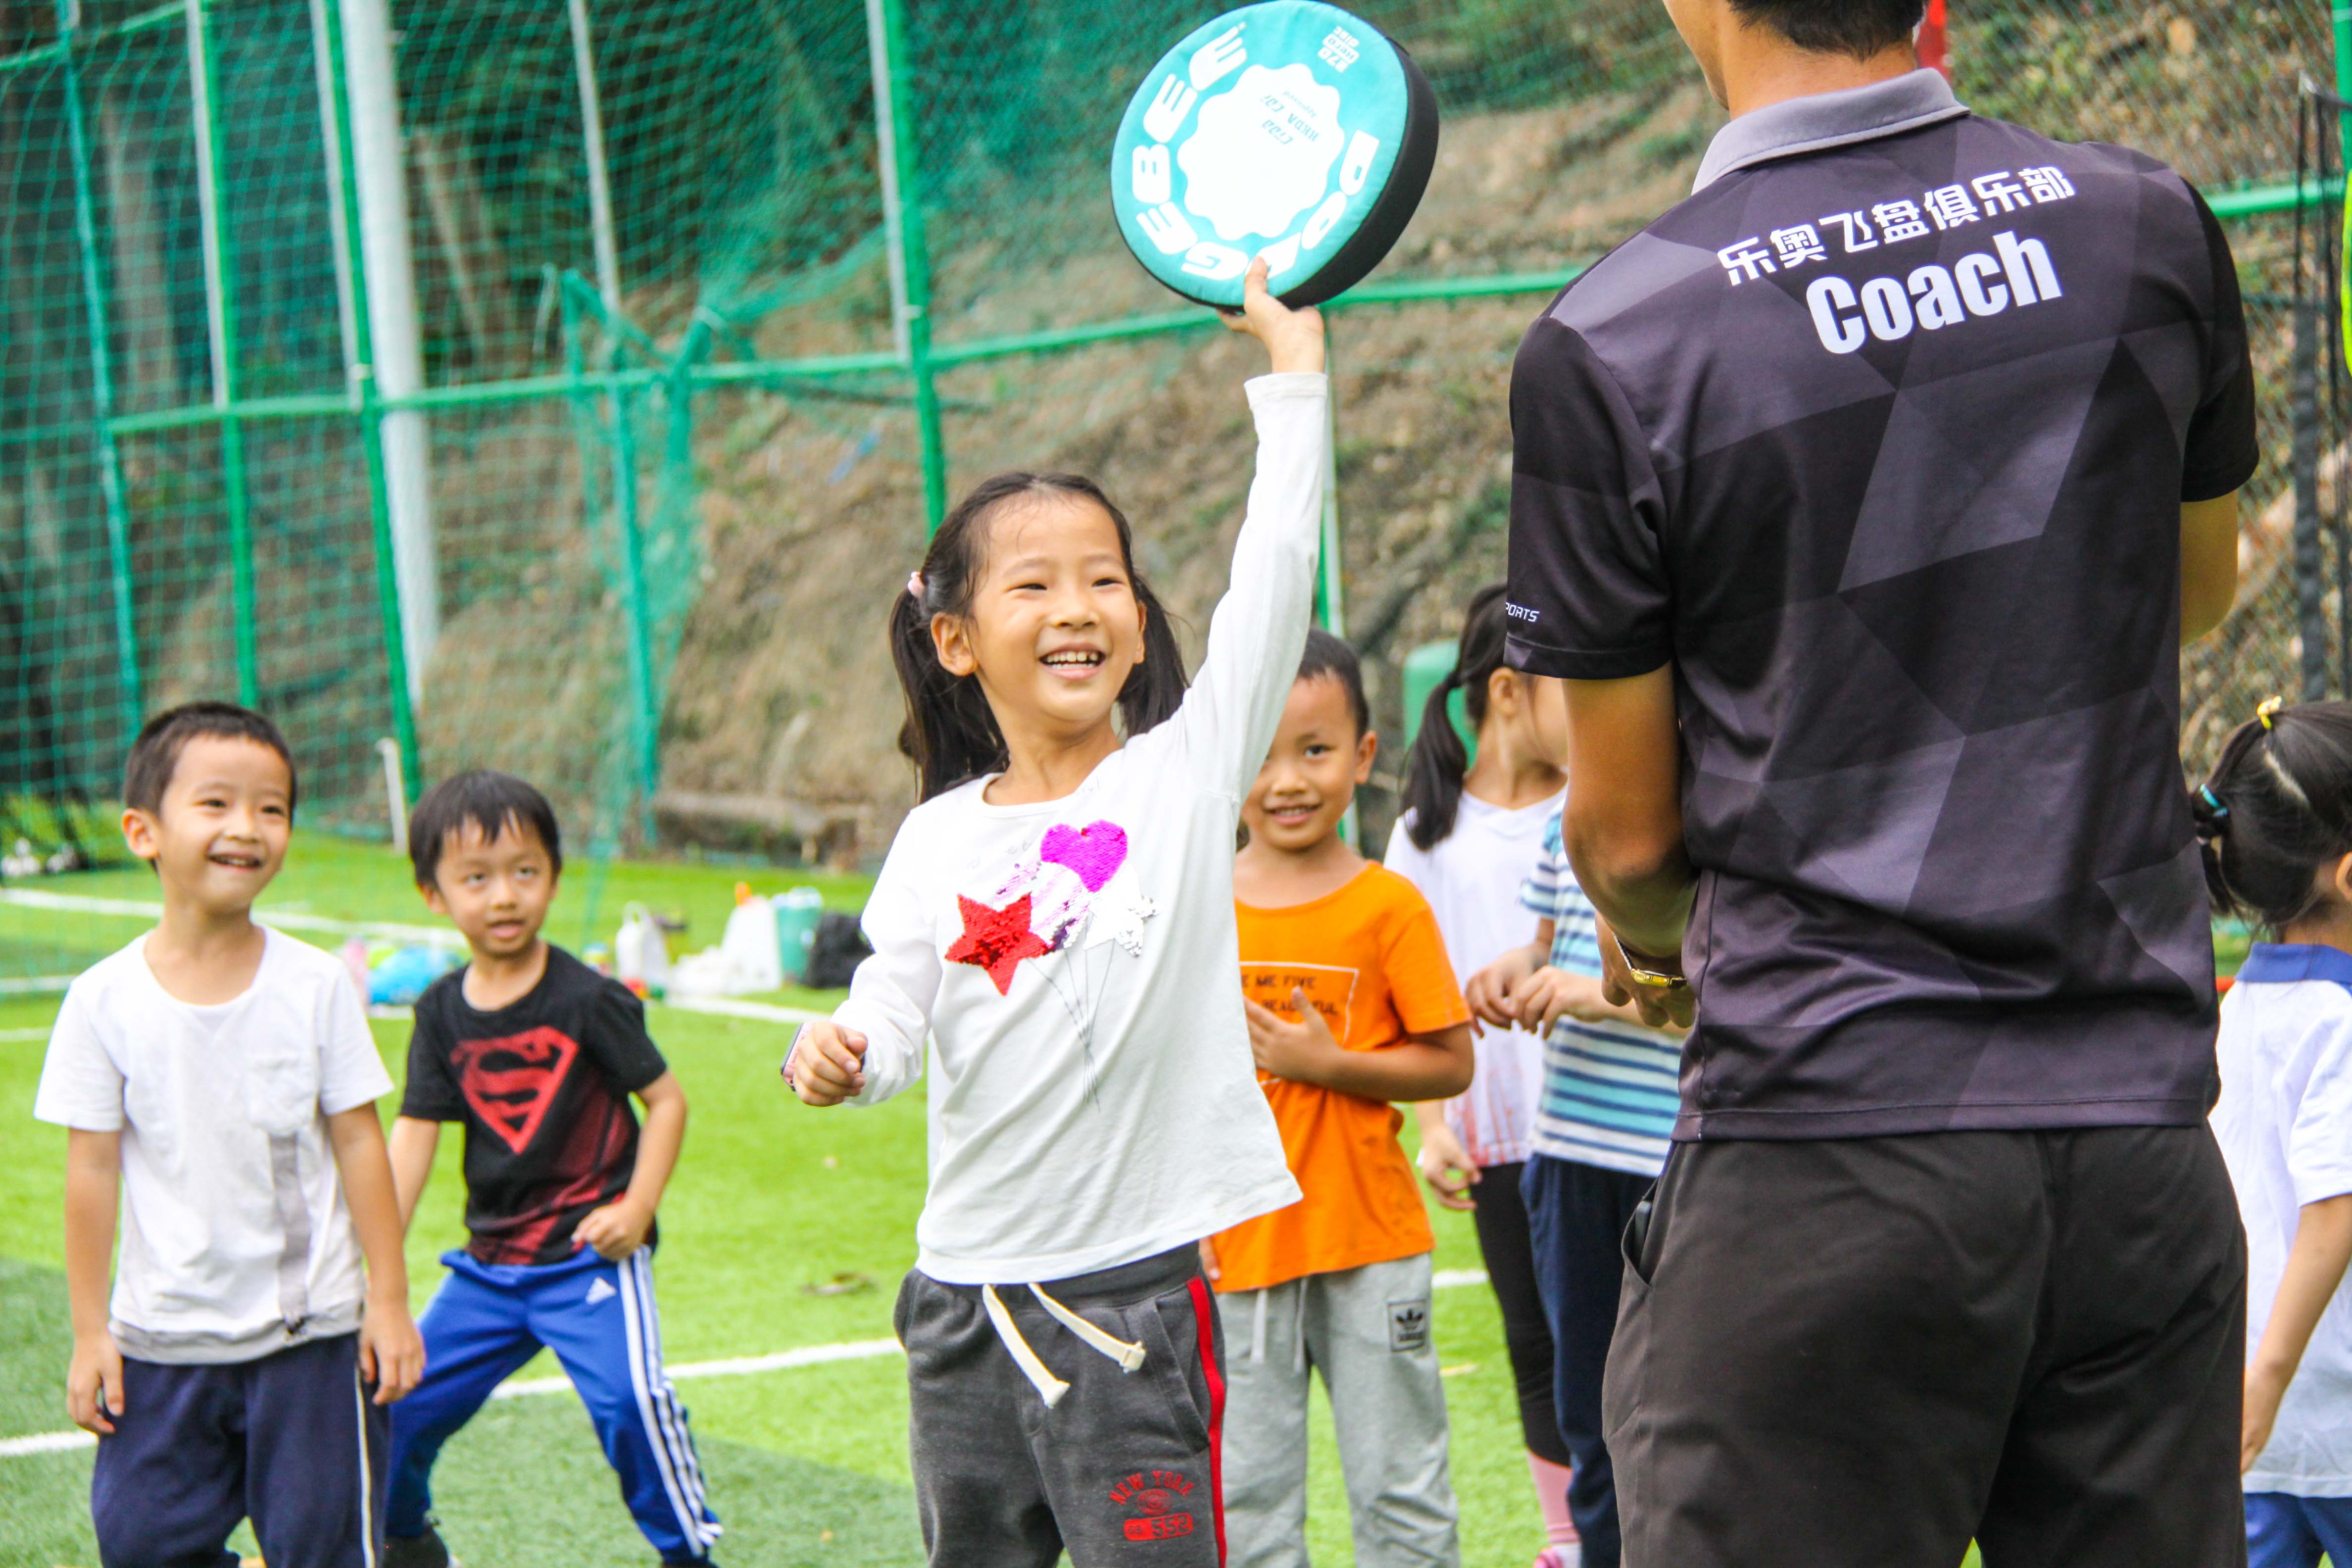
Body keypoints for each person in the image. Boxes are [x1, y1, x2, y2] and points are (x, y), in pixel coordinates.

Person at [1503, 0, 2258, 1559]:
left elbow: (1628, 831)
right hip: (2139, 1152)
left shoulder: (1618, 335)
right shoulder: (2145, 226)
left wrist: (1652, 958)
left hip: (1829, 1146)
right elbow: (2192, 590)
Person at [782, 259, 1325, 1568]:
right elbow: (895, 1006)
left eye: (1105, 580)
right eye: (1033, 585)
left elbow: (1278, 569)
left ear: (1139, 625)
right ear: (958, 639)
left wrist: (1295, 373)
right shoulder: (935, 839)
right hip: (959, 1305)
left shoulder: (1185, 780)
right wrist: (848, 1056)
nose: (1077, 606)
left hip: (1132, 1306)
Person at [34, 701, 424, 1567]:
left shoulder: (317, 985)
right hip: (160, 1342)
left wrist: (387, 1302)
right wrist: (91, 1331)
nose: (247, 828)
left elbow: (361, 1144)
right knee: (140, 1546)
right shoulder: (102, 1001)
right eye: (215, 804)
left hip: (312, 1343)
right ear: (143, 830)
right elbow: (92, 1170)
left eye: (272, 808)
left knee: (325, 1553)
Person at [381, 769, 713, 1568]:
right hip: (490, 1270)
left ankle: (689, 1555)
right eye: (477, 878)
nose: (504, 896)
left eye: (524, 873)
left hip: (587, 1262)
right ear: (435, 894)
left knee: (631, 1406)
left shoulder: (589, 998)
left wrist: (635, 1211)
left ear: (553, 881)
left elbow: (667, 1104)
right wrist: (372, 1265)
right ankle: (408, 1544)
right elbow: (414, 1139)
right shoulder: (437, 1013)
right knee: (391, 1409)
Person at [1206, 629, 1475, 1568]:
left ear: (1364, 758)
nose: (1286, 779)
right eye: (1263, 754)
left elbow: (1450, 1062)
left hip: (1370, 1242)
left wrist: (1333, 1065)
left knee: (1402, 1489)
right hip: (1235, 1248)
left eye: (1314, 751)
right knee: (1246, 1500)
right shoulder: (1197, 906)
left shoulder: (1387, 906)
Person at [1382, 584, 1582, 1568]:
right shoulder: (1425, 837)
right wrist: (1435, 1128)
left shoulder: (1596, 813)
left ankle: (1636, 1525)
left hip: (1601, 1128)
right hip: (1498, 1137)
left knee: (1623, 1338)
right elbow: (1409, 1000)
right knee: (1535, 1341)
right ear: (1508, 692)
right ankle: (1566, 1542)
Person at [1464, 794, 1682, 1568]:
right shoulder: (1569, 819)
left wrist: (1592, 998)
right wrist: (1510, 971)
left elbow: (1724, 1005)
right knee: (1586, 1412)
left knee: (1681, 1418)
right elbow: (1544, 944)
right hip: (1567, 1156)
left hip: (1671, 1158)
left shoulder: (1708, 805)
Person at [2202, 702, 2352, 1566]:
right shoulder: (2338, 1019)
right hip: (2326, 1415)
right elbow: (2332, 1217)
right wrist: (2277, 1377)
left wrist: (2254, 1385)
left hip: (2251, 1428)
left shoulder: (2240, 1007)